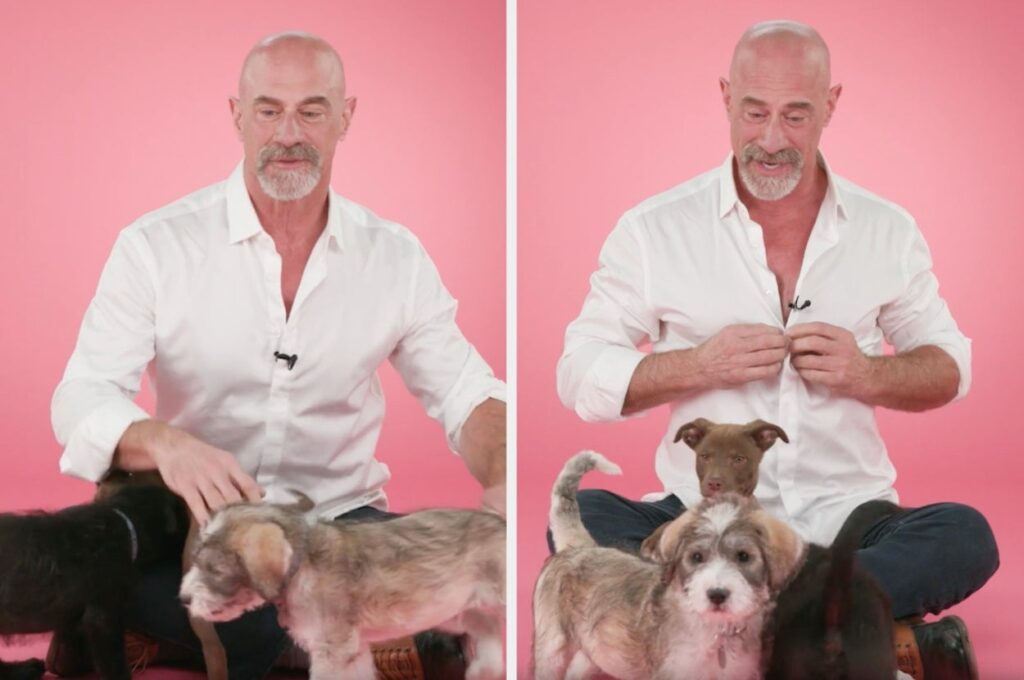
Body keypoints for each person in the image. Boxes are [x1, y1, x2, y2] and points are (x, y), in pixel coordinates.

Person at [50, 31, 505, 679]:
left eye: (312, 110)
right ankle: (367, 637)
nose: (288, 134)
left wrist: (505, 471)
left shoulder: (395, 257)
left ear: (345, 117)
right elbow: (81, 395)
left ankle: (248, 636)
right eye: (269, 110)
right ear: (238, 115)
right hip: (203, 528)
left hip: (341, 527)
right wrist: (165, 444)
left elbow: (466, 392)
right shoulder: (155, 245)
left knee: (450, 560)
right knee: (148, 577)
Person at [556, 20, 996, 680]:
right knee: (582, 521)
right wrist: (698, 365)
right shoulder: (654, 230)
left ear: (831, 105)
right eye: (755, 112)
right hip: (700, 524)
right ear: (725, 97)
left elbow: (950, 366)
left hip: (847, 522)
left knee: (965, 535)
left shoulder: (886, 230)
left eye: (795, 115)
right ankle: (851, 632)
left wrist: (866, 373)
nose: (770, 140)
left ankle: (733, 627)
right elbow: (579, 371)